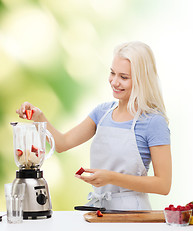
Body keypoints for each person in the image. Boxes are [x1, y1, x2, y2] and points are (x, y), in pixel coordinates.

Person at [16, 41, 172, 210]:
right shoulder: (102, 113)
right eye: (112, 73)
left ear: (142, 79)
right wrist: (39, 117)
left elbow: (163, 185)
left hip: (133, 213)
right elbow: (62, 143)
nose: (114, 82)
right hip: (99, 210)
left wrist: (111, 178)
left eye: (123, 77)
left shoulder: (153, 122)